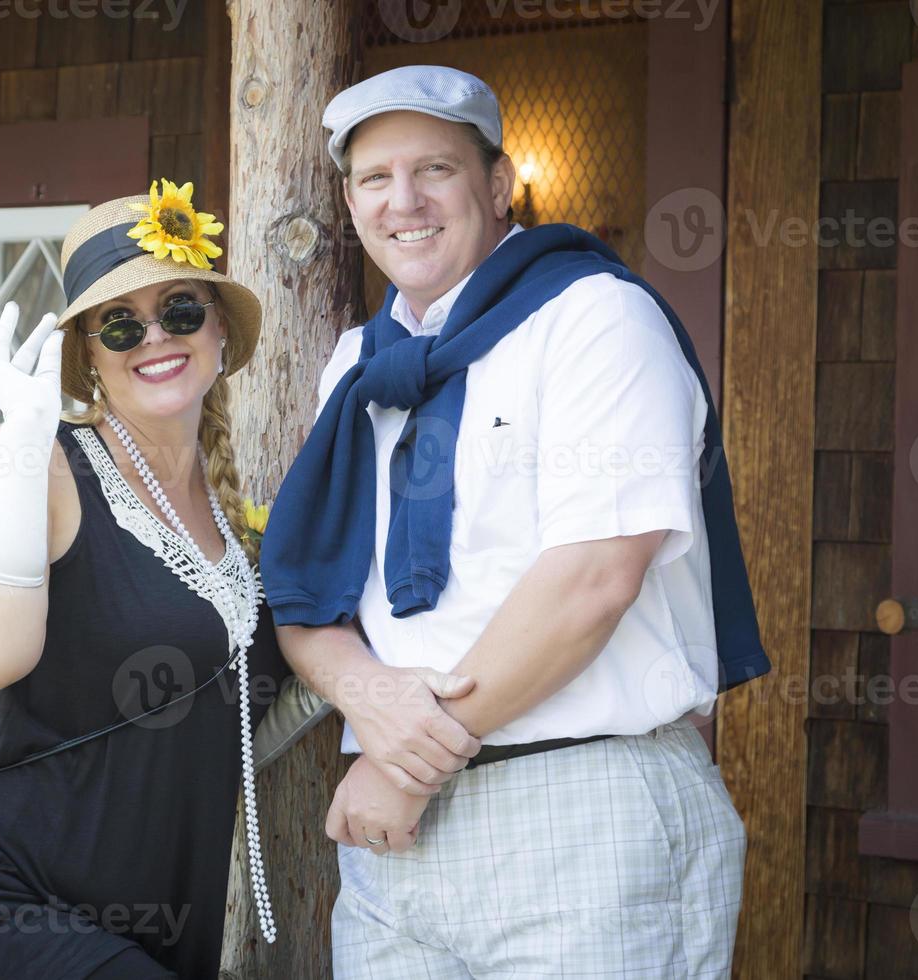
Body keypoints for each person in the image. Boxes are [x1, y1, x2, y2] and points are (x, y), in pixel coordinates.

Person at [261, 66, 771, 977]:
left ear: (497, 185)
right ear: (350, 201)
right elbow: (311, 594)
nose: (404, 201)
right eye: (375, 179)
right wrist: (373, 703)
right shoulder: (357, 367)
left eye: (436, 171)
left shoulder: (595, 319)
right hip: (394, 846)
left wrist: (409, 761)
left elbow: (593, 579)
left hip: (578, 812)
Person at [0, 181, 290, 979]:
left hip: (135, 915)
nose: (154, 338)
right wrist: (27, 440)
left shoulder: (238, 518)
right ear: (90, 354)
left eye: (178, 309)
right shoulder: (41, 465)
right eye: (119, 324)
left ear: (214, 326)